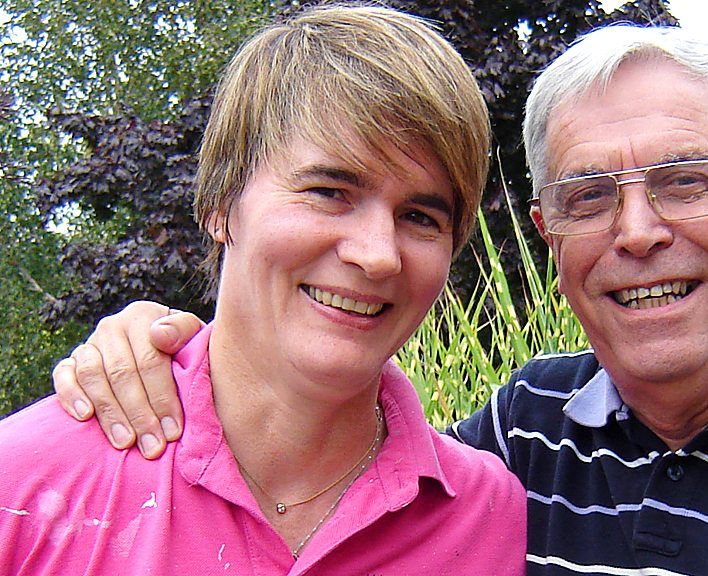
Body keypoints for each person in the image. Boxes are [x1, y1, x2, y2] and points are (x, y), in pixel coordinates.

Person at [49, 22, 708, 576]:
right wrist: (161, 346)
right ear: (550, 233)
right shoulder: (523, 436)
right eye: (588, 196)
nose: (637, 231)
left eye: (684, 181)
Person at [0, 5, 526, 574]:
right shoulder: (24, 487)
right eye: (329, 192)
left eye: (421, 217)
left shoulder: (487, 515)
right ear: (220, 203)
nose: (378, 254)